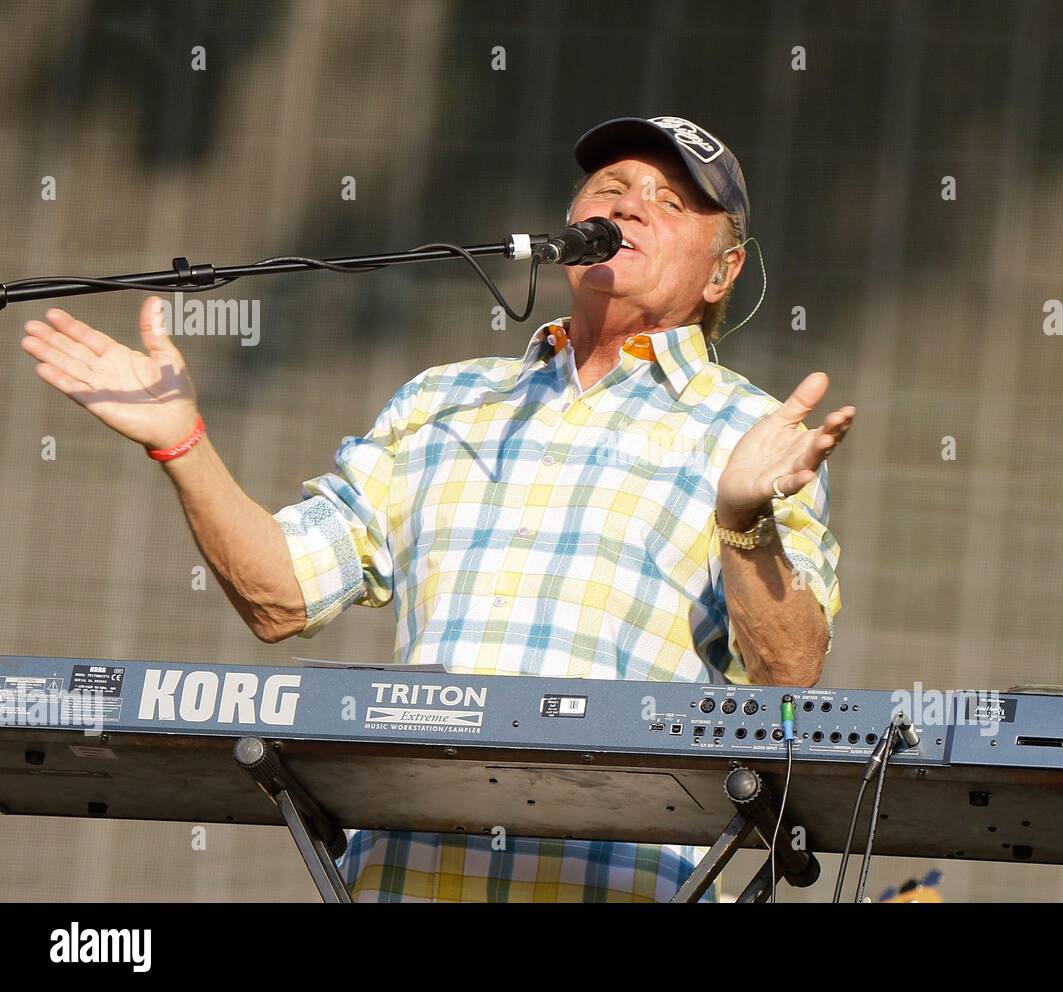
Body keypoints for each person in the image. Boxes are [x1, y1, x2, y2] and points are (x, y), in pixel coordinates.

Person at [19, 114, 854, 902]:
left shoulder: (754, 433)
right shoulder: (442, 402)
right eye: (609, 186)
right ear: (569, 224)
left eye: (671, 202)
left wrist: (743, 519)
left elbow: (789, 681)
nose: (628, 204)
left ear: (723, 271)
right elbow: (282, 595)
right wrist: (183, 444)